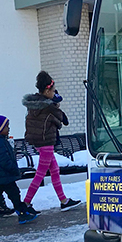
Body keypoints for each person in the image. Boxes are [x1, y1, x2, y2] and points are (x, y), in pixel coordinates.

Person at [22, 71, 80, 212]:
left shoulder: (34, 103)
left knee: (54, 170)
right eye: (53, 91)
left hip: (37, 142)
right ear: (47, 90)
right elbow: (64, 120)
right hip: (46, 142)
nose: (54, 93)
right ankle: (26, 203)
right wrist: (56, 102)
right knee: (40, 174)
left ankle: (63, 200)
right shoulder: (49, 106)